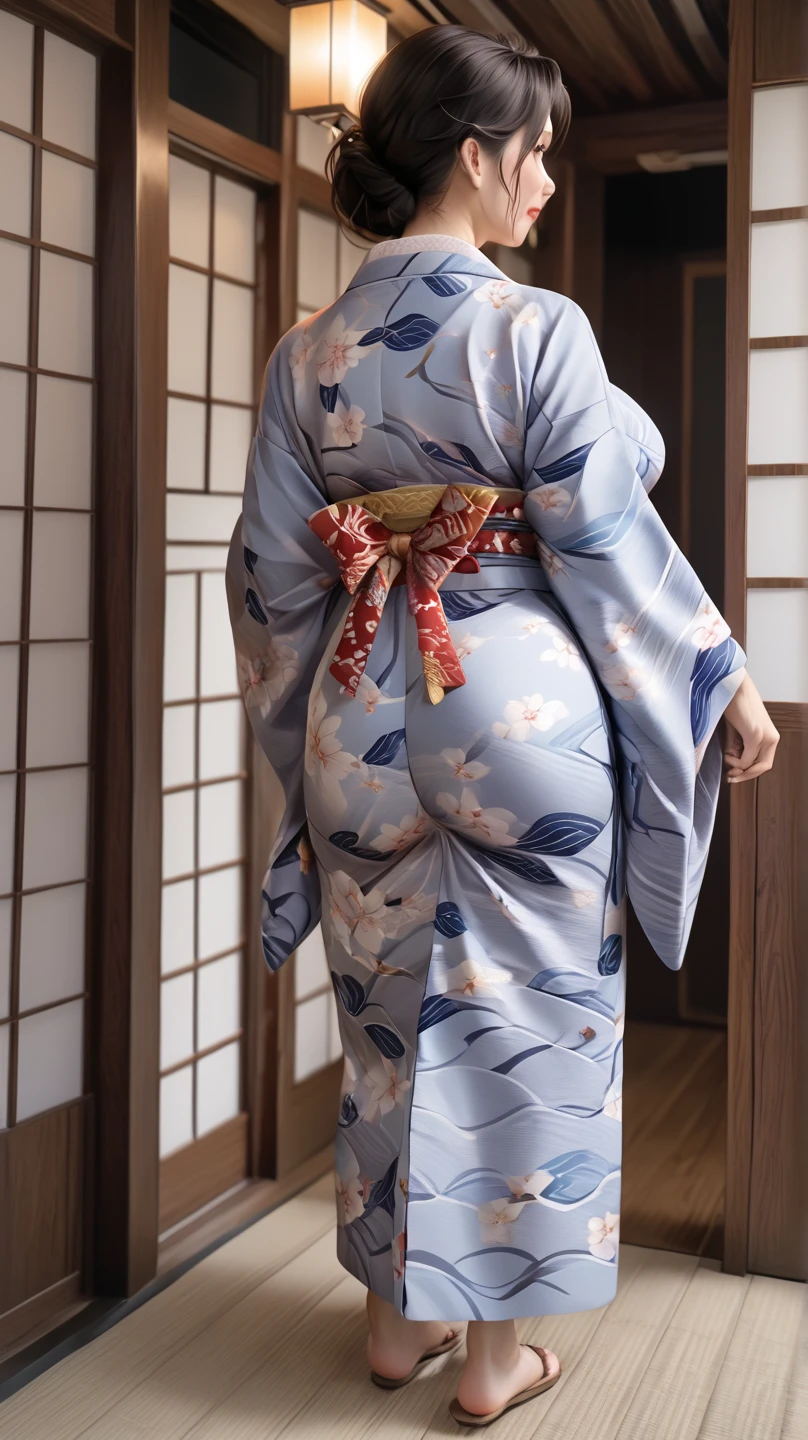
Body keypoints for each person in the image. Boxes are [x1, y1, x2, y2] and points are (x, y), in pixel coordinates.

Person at [226, 24, 779, 1427]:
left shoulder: (307, 353)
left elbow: (273, 576)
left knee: (386, 1020)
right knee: (533, 1021)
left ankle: (394, 1327)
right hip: (517, 709)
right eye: (536, 158)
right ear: (476, 158)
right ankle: (494, 1359)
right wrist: (719, 675)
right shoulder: (533, 328)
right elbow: (603, 539)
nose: (545, 187)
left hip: (365, 706)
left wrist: (307, 736)